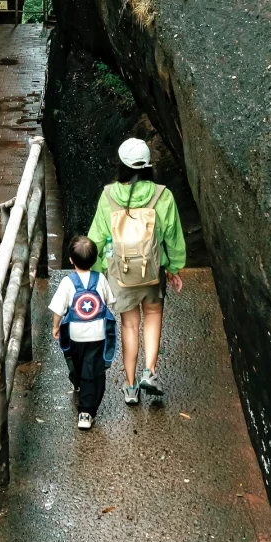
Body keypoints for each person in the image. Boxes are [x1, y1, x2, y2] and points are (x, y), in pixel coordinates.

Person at [87, 135, 186, 405]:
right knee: (153, 317)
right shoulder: (162, 195)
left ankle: (130, 387)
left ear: (121, 165)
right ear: (147, 166)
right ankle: (149, 373)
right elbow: (173, 237)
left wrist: (98, 273)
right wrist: (174, 268)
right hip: (152, 272)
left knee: (129, 325)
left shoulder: (108, 196)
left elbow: (95, 238)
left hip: (121, 274)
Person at [49, 235, 117, 430]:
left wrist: (56, 326)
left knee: (78, 363)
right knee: (92, 370)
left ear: (70, 259)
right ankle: (86, 404)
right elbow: (109, 301)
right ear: (95, 260)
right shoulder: (100, 279)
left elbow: (58, 309)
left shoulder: (68, 282)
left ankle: (84, 409)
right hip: (98, 334)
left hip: (75, 334)